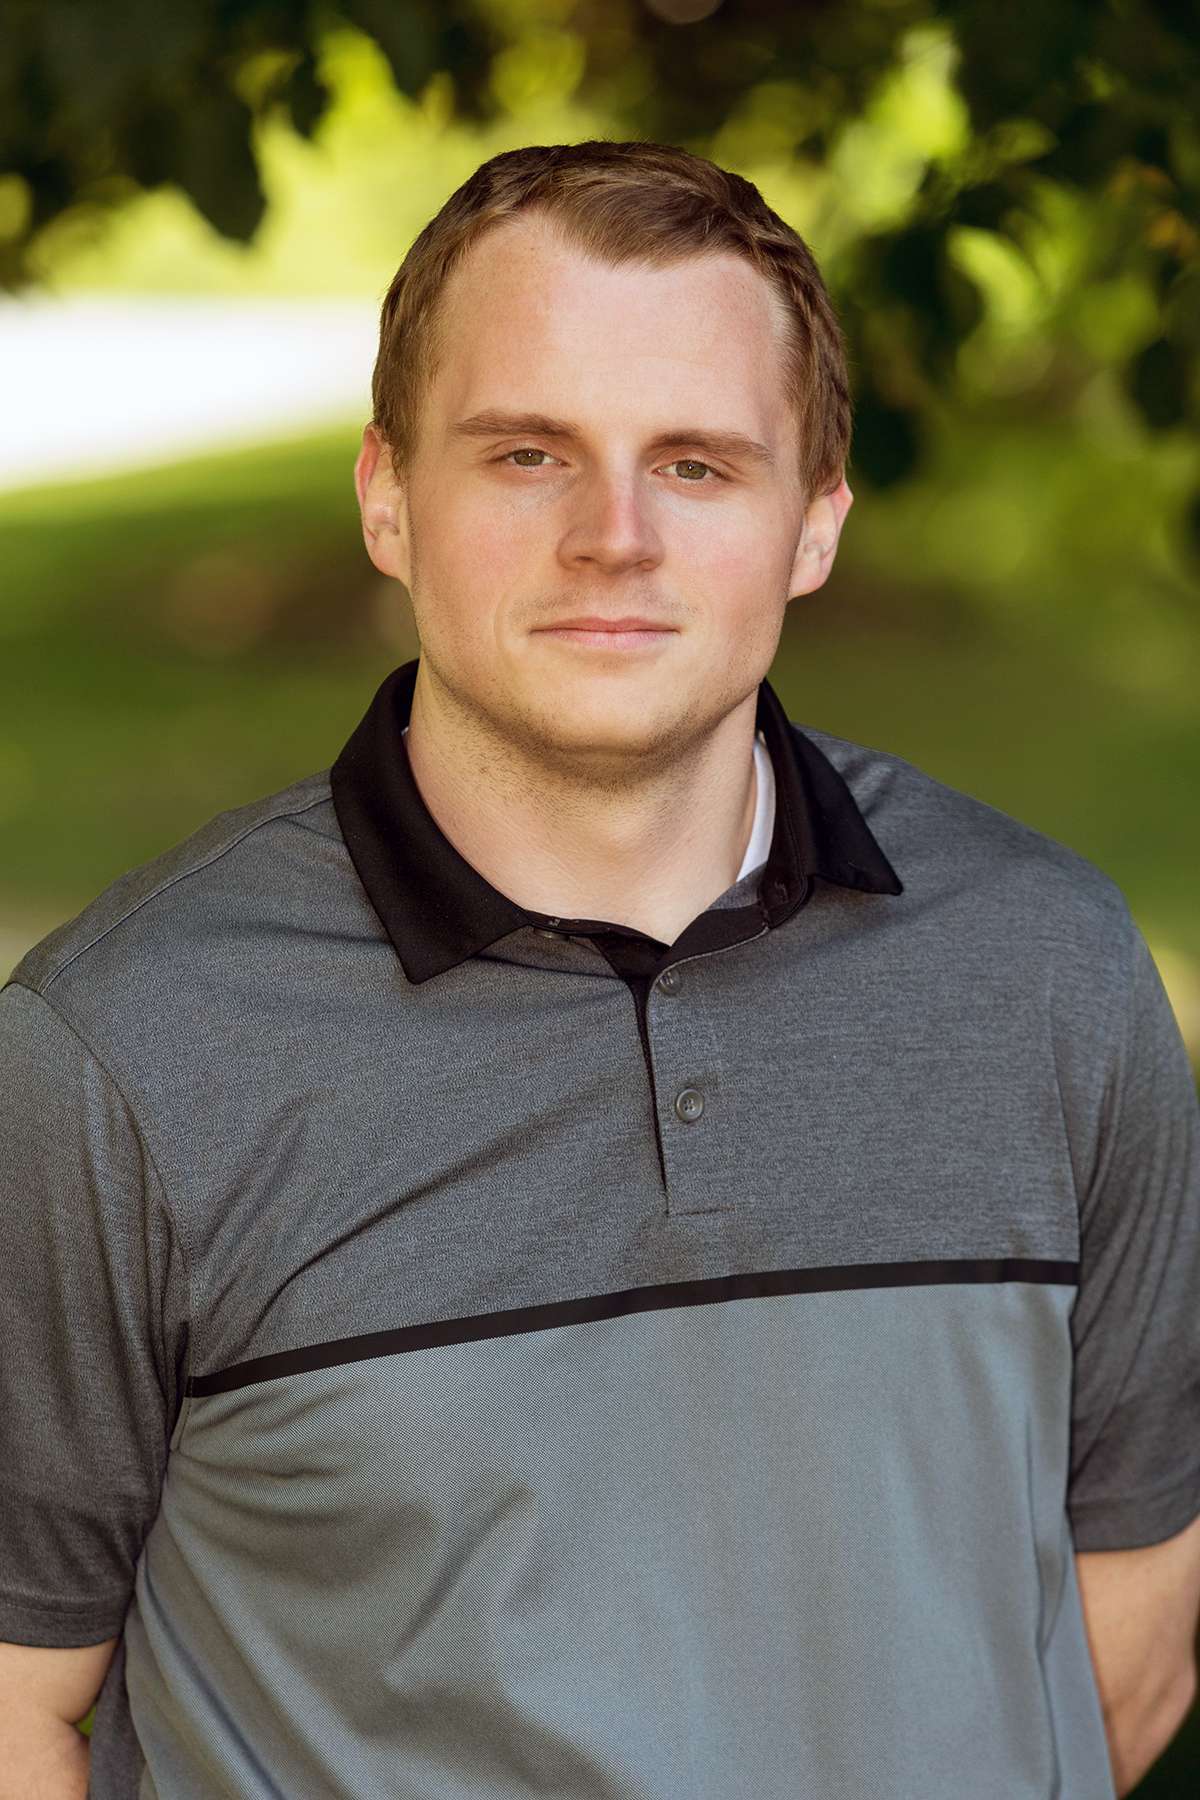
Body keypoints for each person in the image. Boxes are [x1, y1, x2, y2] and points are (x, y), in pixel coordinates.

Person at [1, 138, 1198, 1800]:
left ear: (816, 526)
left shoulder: (1051, 974)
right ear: (387, 496)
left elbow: (1122, 1645)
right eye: (526, 455)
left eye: (698, 464)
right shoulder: (114, 1059)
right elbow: (15, 1702)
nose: (613, 536)